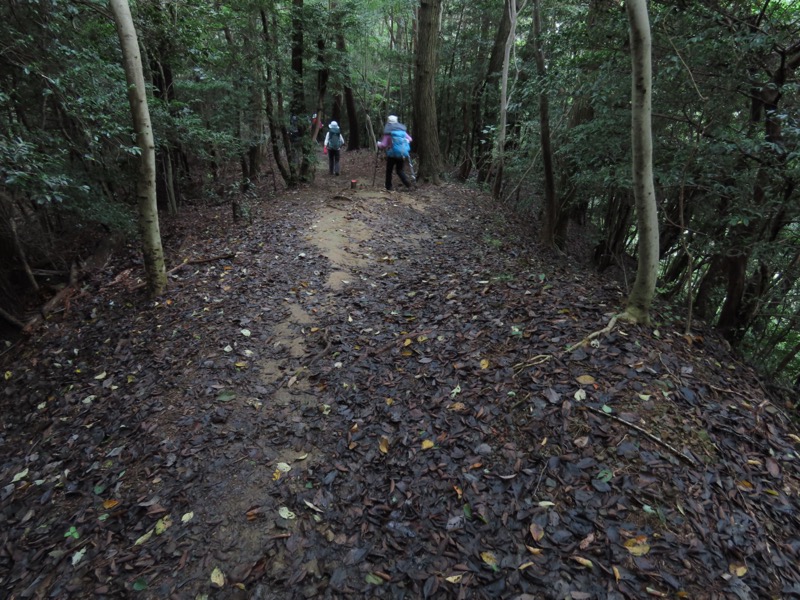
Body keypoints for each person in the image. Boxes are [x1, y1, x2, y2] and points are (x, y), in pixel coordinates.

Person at [377, 115, 412, 191]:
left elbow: (383, 145)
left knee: (389, 170)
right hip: (401, 154)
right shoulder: (402, 132)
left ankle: (388, 186)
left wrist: (378, 144)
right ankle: (407, 183)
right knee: (399, 170)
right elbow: (410, 139)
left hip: (391, 155)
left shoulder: (388, 133)